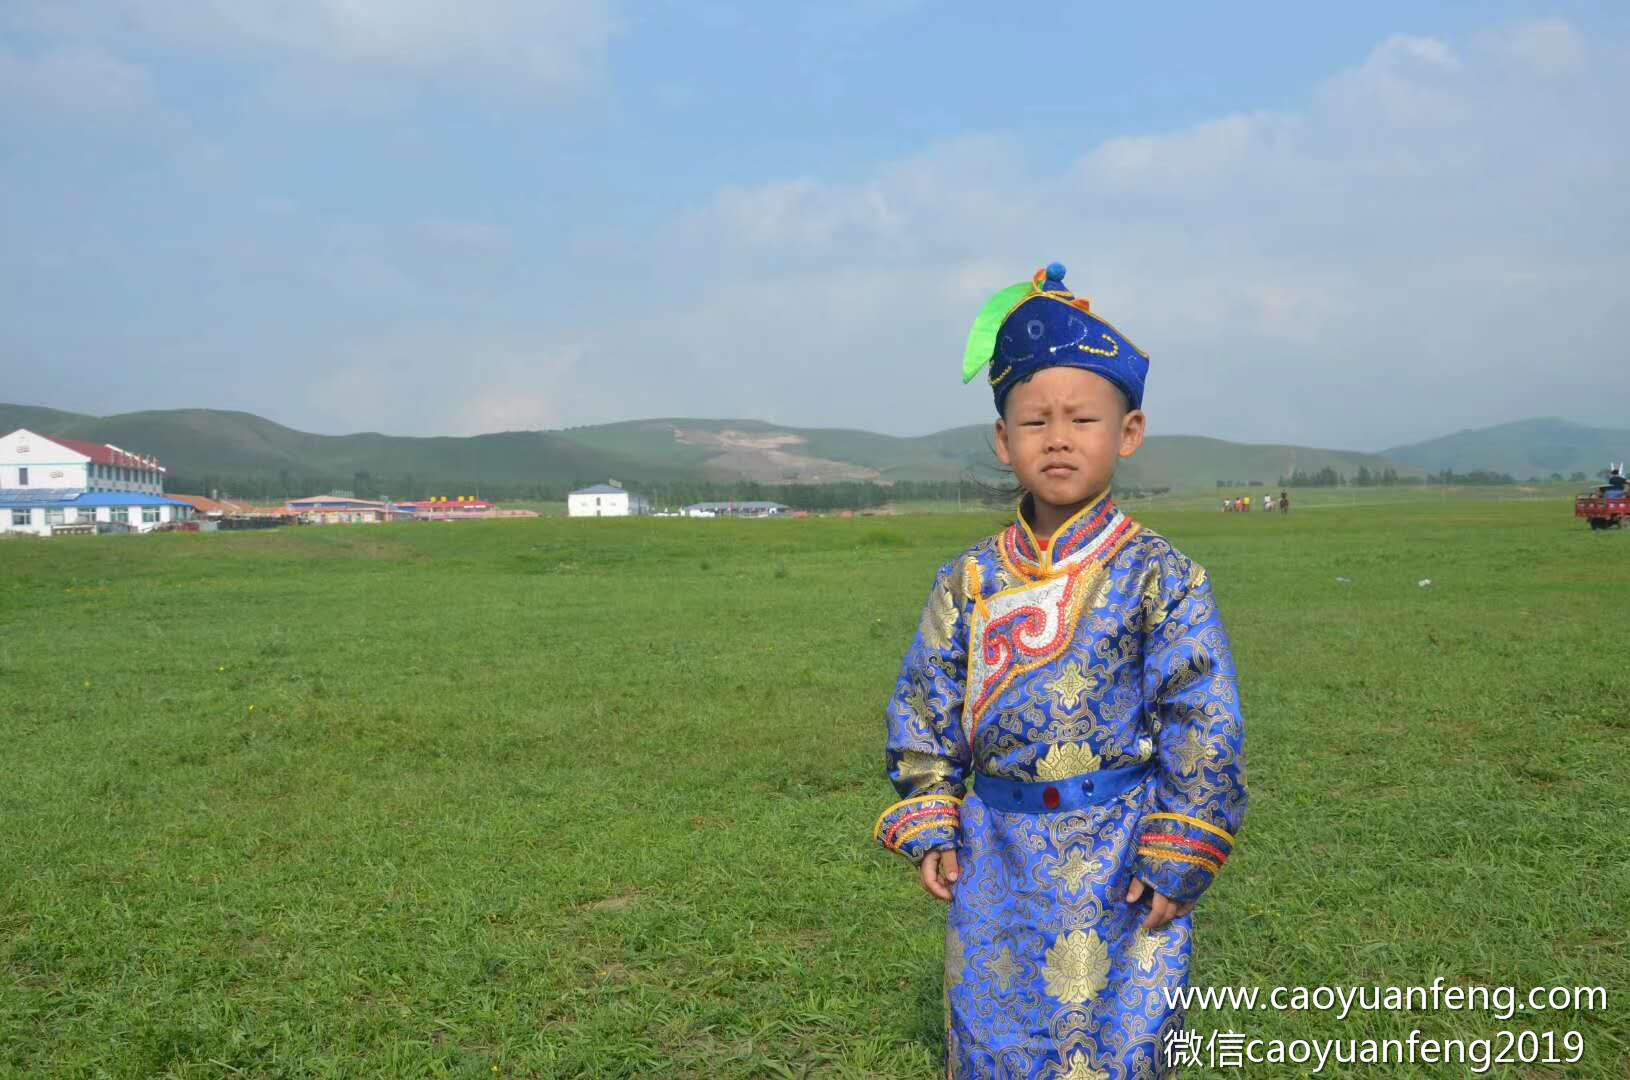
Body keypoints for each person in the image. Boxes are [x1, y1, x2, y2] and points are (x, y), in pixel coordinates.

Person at [875, 262, 1248, 1079]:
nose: (1059, 437)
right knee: (993, 1038)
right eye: (1035, 420)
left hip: (1120, 852)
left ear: (1130, 431)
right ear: (1003, 440)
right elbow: (926, 703)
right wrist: (933, 813)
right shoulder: (968, 580)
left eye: (1083, 418)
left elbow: (1203, 718)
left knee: (1122, 1044)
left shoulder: (1161, 574)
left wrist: (1179, 848)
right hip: (995, 854)